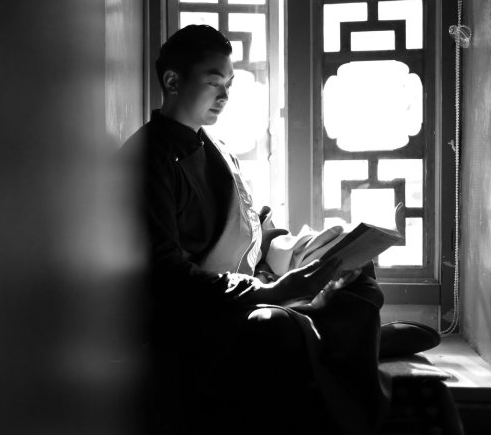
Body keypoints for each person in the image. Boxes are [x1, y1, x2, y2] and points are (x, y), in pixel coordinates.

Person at [122, 25, 390, 435]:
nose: (225, 97)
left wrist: (305, 250)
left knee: (359, 279)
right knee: (274, 327)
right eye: (214, 83)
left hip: (250, 283)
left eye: (229, 84)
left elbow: (254, 227)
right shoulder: (146, 159)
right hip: (196, 315)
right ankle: (352, 370)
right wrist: (267, 291)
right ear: (172, 81)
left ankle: (337, 339)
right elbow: (167, 275)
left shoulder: (216, 147)